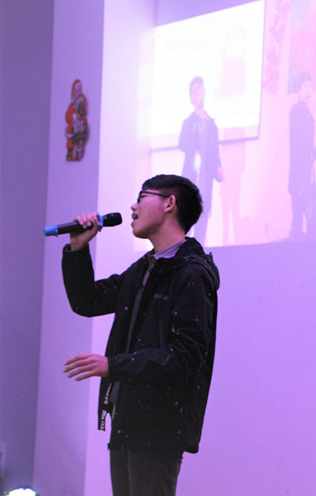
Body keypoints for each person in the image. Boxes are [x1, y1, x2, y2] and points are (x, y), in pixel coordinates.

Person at [62, 174, 219, 496]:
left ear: (169, 203)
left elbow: (186, 355)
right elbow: (87, 301)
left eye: (142, 197)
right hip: (127, 418)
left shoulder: (191, 273)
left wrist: (113, 365)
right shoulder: (145, 269)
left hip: (159, 425)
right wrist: (78, 247)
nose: (133, 207)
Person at [179, 76, 224, 245]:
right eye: (195, 92)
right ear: (191, 98)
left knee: (200, 235)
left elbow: (215, 153)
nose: (199, 94)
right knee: (183, 232)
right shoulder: (188, 122)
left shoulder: (212, 126)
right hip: (189, 185)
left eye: (201, 90)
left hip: (205, 185)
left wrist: (219, 169)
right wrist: (196, 117)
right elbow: (183, 145)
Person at [288, 71, 316, 239]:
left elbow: (306, 150)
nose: (309, 91)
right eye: (305, 86)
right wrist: (311, 114)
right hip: (298, 179)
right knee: (297, 227)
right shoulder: (296, 112)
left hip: (309, 179)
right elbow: (299, 138)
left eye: (311, 87)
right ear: (299, 91)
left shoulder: (308, 114)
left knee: (313, 224)